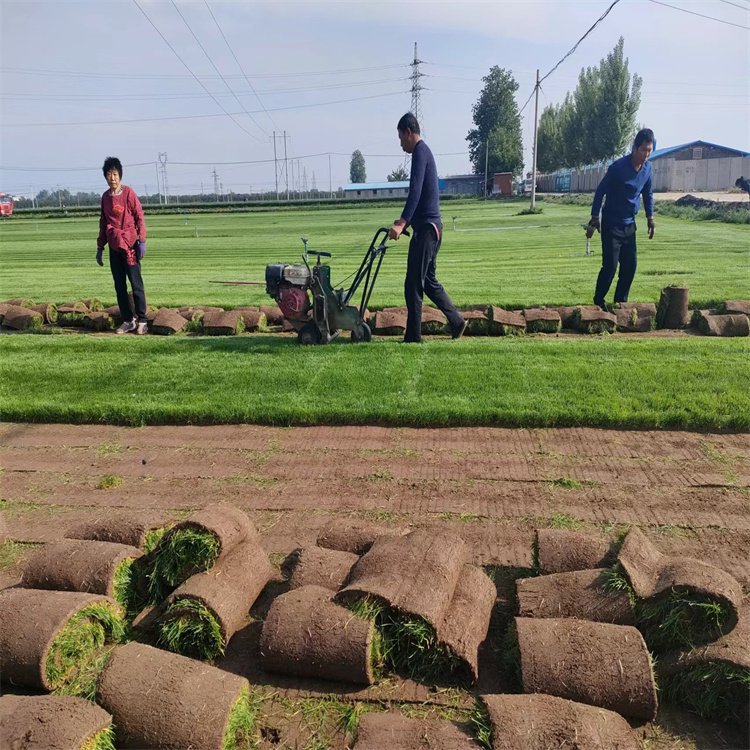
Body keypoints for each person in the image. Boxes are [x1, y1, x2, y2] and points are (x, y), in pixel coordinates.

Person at [388, 113, 466, 343]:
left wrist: (403, 223)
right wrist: (404, 222)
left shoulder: (420, 152)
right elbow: (419, 198)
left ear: (408, 132)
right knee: (428, 282)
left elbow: (416, 192)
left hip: (428, 231)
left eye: (401, 137)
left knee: (413, 283)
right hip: (432, 229)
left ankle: (413, 337)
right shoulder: (423, 152)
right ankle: (457, 321)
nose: (400, 143)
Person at [587, 129, 656, 312]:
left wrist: (650, 218)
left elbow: (647, 193)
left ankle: (620, 303)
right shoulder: (618, 168)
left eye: (650, 150)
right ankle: (598, 302)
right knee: (610, 266)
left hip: (629, 226)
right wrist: (594, 218)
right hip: (611, 224)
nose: (646, 154)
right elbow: (600, 191)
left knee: (630, 266)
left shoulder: (648, 169)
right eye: (643, 150)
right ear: (635, 147)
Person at [96, 156, 148, 334]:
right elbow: (103, 223)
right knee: (119, 285)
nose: (113, 178)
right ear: (105, 177)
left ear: (120, 176)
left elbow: (139, 216)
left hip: (130, 245)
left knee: (136, 283)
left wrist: (142, 241)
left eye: (115, 174)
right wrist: (100, 247)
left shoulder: (128, 194)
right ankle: (128, 320)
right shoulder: (105, 198)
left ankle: (142, 320)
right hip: (113, 245)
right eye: (109, 174)